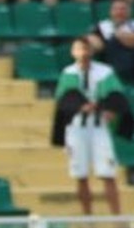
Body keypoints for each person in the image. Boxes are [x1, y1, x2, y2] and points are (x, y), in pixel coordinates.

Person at [53, 36, 126, 216]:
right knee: (81, 174)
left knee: (108, 173)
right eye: (79, 49)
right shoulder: (68, 73)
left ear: (92, 51)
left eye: (86, 49)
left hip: (99, 126)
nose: (83, 53)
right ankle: (88, 218)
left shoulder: (105, 72)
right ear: (73, 52)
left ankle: (116, 217)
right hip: (77, 127)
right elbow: (63, 99)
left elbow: (116, 95)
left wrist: (109, 109)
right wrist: (80, 106)